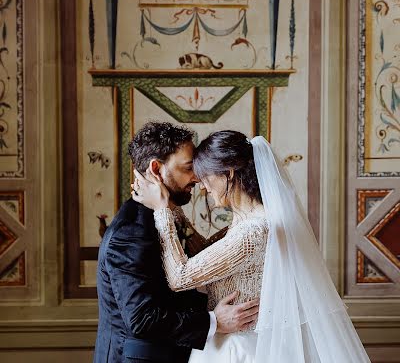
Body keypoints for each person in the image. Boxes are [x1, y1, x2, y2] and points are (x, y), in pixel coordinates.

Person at [132, 130, 372, 363]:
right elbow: (206, 253)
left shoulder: (253, 232)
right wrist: (175, 212)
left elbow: (181, 277)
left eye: (206, 177)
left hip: (243, 348)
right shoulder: (246, 221)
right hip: (229, 342)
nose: (203, 186)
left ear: (229, 173)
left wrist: (162, 211)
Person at [93, 122, 259, 363]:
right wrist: (215, 321)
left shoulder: (166, 217)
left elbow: (174, 296)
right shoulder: (131, 231)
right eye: (189, 168)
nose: (197, 177)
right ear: (156, 169)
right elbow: (142, 319)